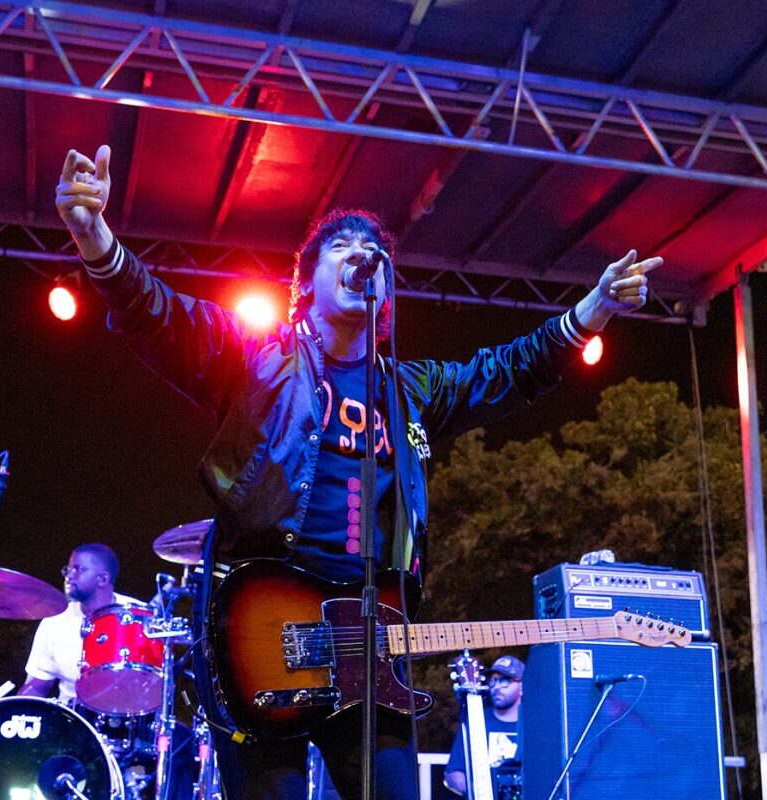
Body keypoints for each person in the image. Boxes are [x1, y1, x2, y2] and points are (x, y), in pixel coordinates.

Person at [54, 144, 660, 800]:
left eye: (376, 253)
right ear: (306, 280)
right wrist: (95, 237)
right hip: (260, 634)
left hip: (369, 649)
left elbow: (510, 371)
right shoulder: (259, 360)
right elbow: (161, 315)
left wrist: (593, 306)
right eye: (342, 244)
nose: (363, 255)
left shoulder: (411, 389)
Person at [18, 543, 137, 705]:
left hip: (129, 719)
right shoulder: (54, 621)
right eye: (68, 570)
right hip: (71, 722)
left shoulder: (137, 616)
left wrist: (185, 699)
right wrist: (16, 709)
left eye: (78, 569)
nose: (69, 576)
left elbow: (159, 684)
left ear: (102, 579)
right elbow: (37, 687)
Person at [444, 655, 524, 797]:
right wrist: (481, 792)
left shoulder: (534, 724)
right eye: (493, 680)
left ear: (522, 686)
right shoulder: (476, 721)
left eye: (505, 680)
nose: (497, 687)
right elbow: (453, 774)